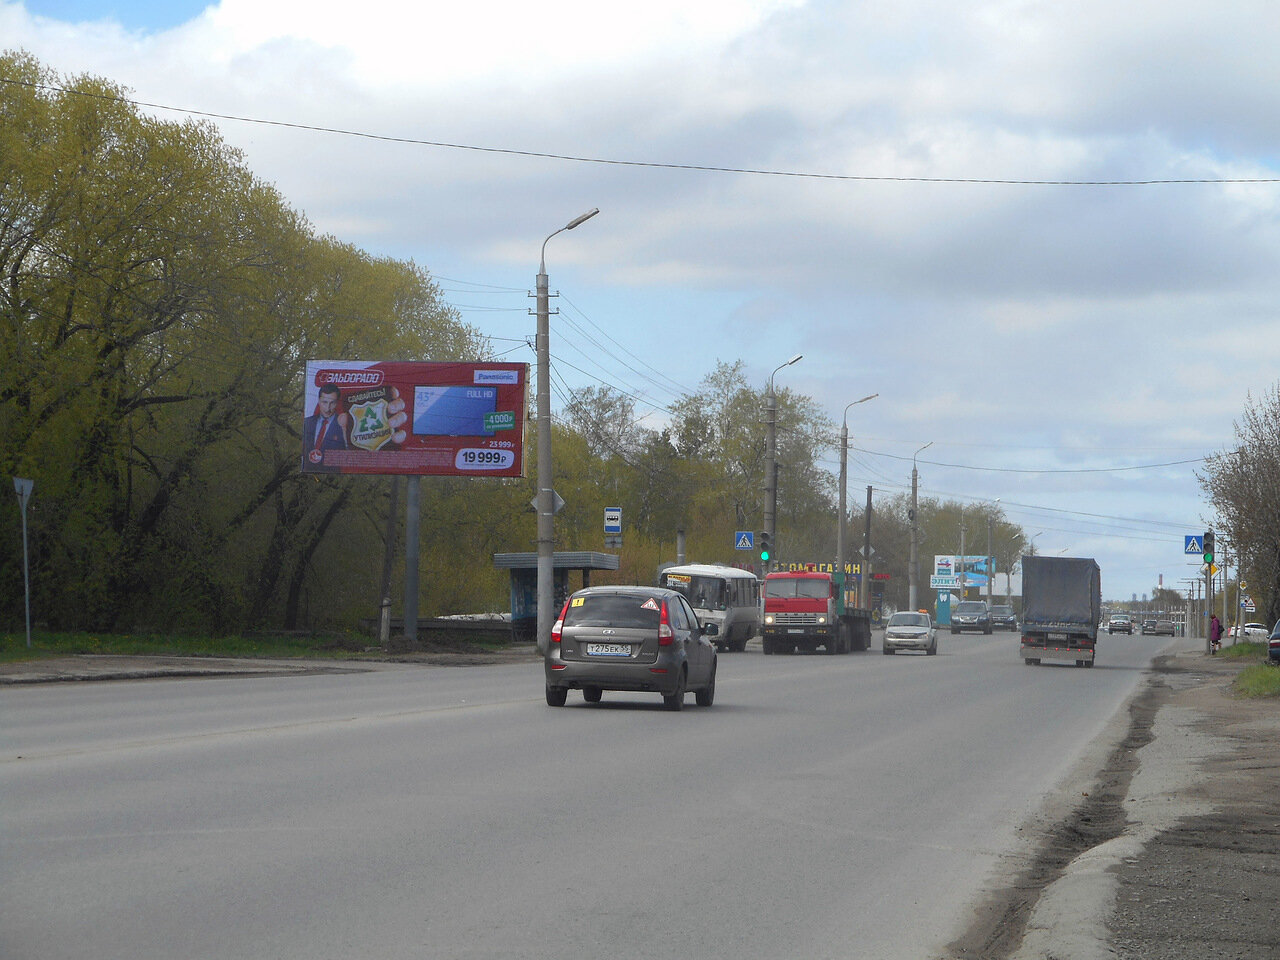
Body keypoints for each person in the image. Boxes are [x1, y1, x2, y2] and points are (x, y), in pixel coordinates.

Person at [303, 384, 349, 470]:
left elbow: (350, 456)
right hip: (308, 472)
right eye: (324, 402)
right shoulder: (307, 423)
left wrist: (344, 430)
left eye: (332, 403)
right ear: (319, 401)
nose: (328, 408)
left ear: (337, 403)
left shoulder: (343, 424)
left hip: (334, 476)